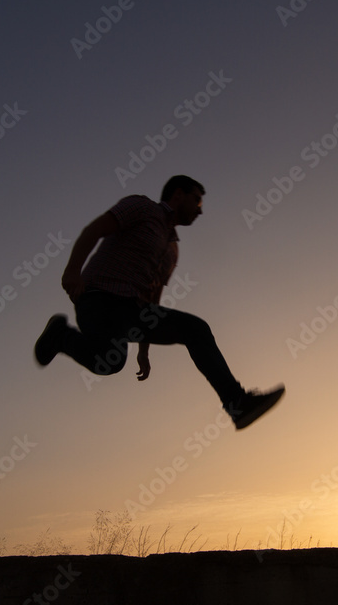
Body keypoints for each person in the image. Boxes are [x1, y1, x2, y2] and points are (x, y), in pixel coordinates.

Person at [34, 175, 284, 430]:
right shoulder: (142, 207)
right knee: (111, 361)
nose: (200, 210)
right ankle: (61, 336)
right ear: (178, 195)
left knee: (195, 329)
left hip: (133, 310)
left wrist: (144, 350)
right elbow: (94, 230)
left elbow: (152, 299)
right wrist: (72, 271)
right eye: (196, 201)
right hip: (99, 298)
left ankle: (238, 403)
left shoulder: (172, 249)